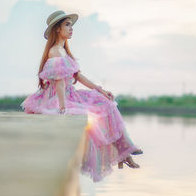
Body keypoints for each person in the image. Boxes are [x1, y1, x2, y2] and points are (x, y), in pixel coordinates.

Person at [20, 10, 143, 182]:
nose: (71, 29)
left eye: (71, 25)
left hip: (70, 93)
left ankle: (124, 150)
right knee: (91, 115)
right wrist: (62, 107)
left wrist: (99, 89)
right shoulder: (55, 51)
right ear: (57, 29)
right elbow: (60, 83)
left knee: (106, 102)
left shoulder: (64, 51)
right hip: (58, 96)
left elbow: (78, 76)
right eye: (67, 25)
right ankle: (123, 153)